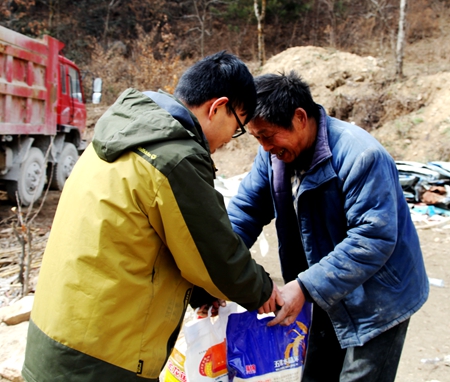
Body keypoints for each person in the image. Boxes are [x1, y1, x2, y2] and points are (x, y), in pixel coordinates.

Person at [22, 51, 282, 382]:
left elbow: (154, 240)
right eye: (239, 125)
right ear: (217, 108)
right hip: (102, 357)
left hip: (54, 335)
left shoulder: (123, 135)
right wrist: (264, 292)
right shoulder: (174, 158)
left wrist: (203, 293)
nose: (232, 138)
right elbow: (215, 253)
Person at [227, 71, 429, 382]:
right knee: (316, 374)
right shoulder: (273, 155)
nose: (265, 146)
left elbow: (372, 238)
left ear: (299, 118)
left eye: (267, 135)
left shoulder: (361, 155)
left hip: (378, 298)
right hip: (326, 288)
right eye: (257, 137)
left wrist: (305, 286)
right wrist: (218, 268)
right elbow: (246, 210)